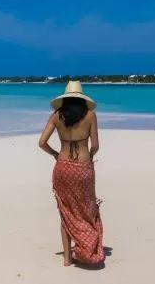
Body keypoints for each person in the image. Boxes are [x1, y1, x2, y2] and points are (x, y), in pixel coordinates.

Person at [38, 81, 105, 266]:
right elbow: (96, 145)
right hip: (83, 168)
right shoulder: (90, 115)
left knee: (66, 212)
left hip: (62, 167)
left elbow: (42, 142)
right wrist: (89, 158)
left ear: (65, 99)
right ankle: (89, 247)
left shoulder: (56, 116)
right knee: (87, 209)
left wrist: (55, 155)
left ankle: (67, 258)